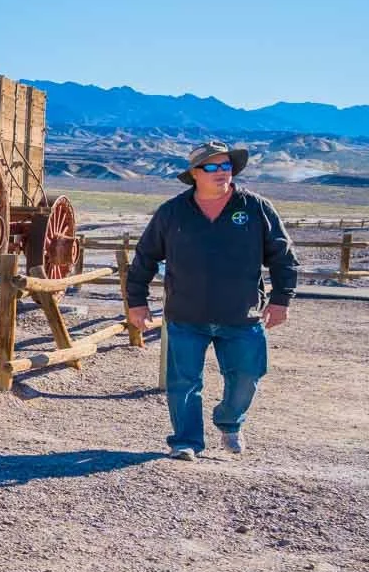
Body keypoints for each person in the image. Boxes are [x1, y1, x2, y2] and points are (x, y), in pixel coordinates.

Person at [125, 140, 297, 461]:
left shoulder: (256, 208)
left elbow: (283, 257)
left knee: (248, 375)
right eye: (213, 167)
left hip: (242, 314)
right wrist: (136, 301)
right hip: (186, 315)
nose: (222, 173)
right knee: (184, 382)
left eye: (227, 166)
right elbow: (145, 258)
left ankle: (230, 421)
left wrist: (281, 299)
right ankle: (186, 441)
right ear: (195, 174)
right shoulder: (172, 213)